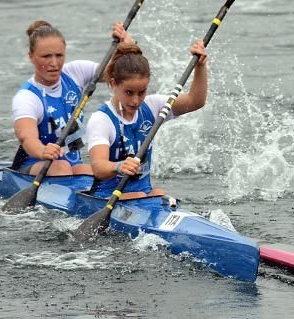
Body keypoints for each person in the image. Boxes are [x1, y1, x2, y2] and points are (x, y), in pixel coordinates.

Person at [84, 38, 208, 200]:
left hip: (144, 195)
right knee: (149, 195)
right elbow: (98, 167)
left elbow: (195, 101)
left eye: (141, 92)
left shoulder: (153, 106)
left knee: (159, 193)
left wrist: (200, 66)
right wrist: (118, 166)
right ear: (114, 84)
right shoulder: (101, 119)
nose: (136, 100)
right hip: (108, 197)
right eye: (129, 92)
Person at [11, 20, 130, 175]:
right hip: (33, 166)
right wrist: (43, 150)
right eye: (46, 56)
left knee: (95, 170)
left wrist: (126, 47)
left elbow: (121, 75)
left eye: (59, 55)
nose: (54, 63)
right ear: (31, 57)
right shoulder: (27, 97)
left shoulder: (75, 72)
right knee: (62, 168)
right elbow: (27, 138)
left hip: (72, 166)